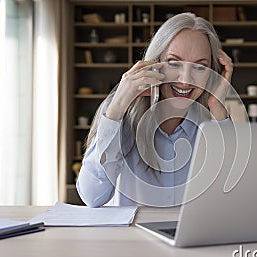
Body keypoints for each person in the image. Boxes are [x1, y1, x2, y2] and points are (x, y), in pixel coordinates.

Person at [76, 12, 233, 207]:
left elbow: (233, 197)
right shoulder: (120, 116)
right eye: (174, 63)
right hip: (130, 238)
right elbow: (93, 197)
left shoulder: (212, 122)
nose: (185, 80)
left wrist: (219, 109)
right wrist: (117, 107)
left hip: (190, 238)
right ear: (154, 64)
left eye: (200, 67)